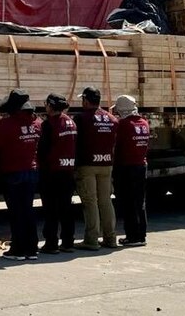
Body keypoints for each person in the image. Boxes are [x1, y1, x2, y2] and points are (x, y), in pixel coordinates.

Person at [0, 90, 42, 261]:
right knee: (28, 210)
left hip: (12, 172)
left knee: (16, 212)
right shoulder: (38, 123)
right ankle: (32, 248)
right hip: (32, 171)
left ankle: (18, 249)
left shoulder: (5, 125)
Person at [73, 86, 118, 251]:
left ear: (85, 100)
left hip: (87, 165)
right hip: (106, 165)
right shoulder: (112, 119)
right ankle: (110, 238)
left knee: (90, 202)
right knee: (106, 202)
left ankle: (92, 240)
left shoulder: (81, 119)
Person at [38, 93, 78, 254]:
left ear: (50, 105)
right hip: (68, 170)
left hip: (52, 172)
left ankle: (51, 243)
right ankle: (68, 242)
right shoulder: (71, 122)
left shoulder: (49, 124)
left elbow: (43, 150)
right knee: (66, 208)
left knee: (51, 210)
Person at [112, 95, 151, 248]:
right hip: (141, 165)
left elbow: (117, 144)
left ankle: (132, 236)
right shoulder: (144, 123)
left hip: (126, 167)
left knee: (128, 202)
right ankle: (141, 234)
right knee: (140, 202)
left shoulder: (123, 125)